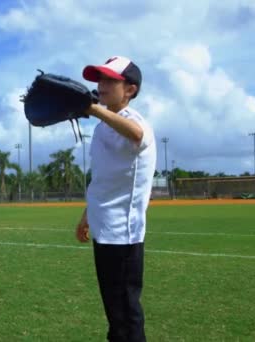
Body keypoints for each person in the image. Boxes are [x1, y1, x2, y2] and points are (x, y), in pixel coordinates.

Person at [75, 56, 156, 341]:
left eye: (110, 80)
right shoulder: (101, 128)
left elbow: (137, 135)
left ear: (130, 90)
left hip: (124, 233)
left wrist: (94, 109)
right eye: (100, 79)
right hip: (104, 228)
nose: (101, 85)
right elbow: (103, 178)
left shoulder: (133, 120)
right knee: (114, 310)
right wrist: (87, 215)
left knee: (125, 311)